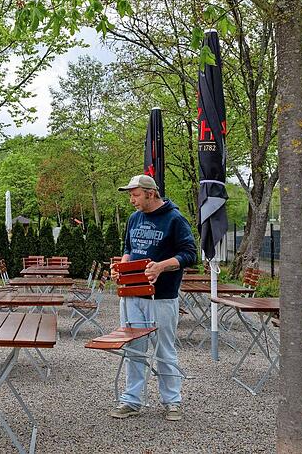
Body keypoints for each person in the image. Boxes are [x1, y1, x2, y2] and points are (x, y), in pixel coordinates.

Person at [110, 174, 196, 422]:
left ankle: (172, 402)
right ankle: (131, 400)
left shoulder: (175, 219)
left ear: (151, 193)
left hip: (162, 298)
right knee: (134, 349)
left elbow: (190, 254)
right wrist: (122, 268)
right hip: (131, 294)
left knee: (164, 350)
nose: (131, 200)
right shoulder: (134, 218)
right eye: (130, 195)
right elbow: (129, 248)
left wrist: (161, 267)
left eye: (135, 195)